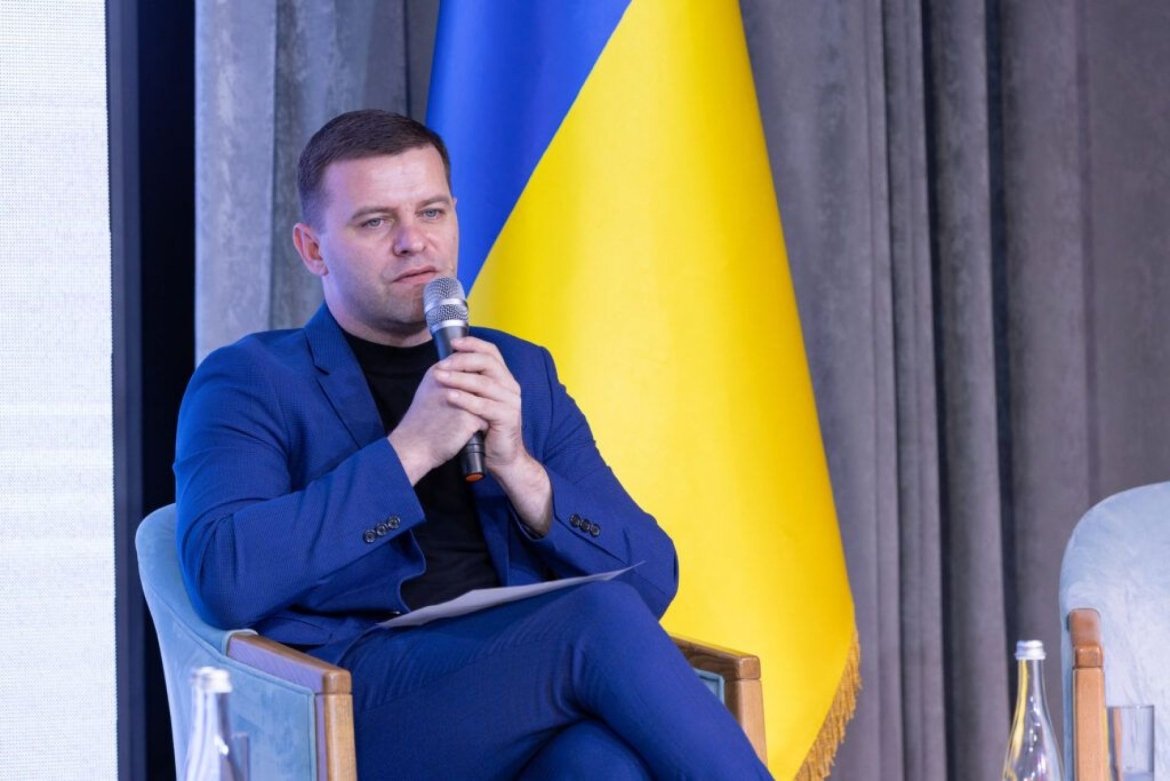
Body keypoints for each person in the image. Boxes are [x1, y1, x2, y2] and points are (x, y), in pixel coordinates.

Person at [175, 109, 771, 779]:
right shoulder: (250, 379)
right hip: (353, 704)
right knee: (594, 616)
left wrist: (521, 469)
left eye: (431, 212)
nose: (413, 242)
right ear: (313, 249)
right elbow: (224, 576)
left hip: (517, 692)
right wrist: (411, 449)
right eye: (375, 222)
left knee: (602, 764)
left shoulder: (519, 371)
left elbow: (653, 580)